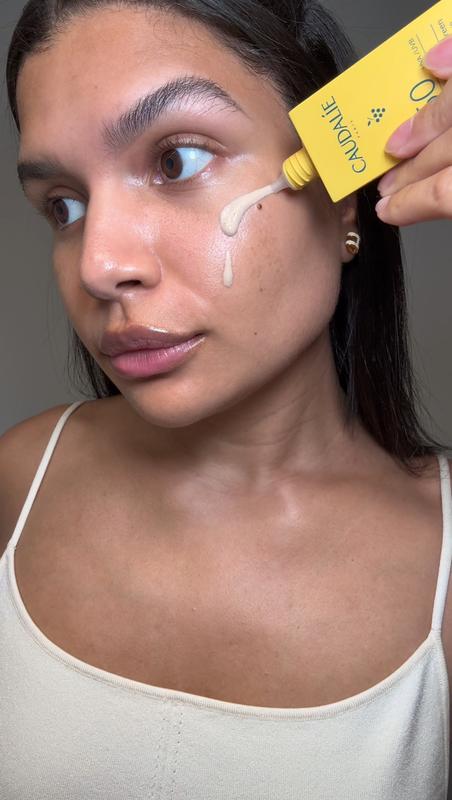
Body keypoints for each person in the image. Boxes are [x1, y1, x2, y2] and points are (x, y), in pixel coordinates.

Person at [1, 0, 452, 797]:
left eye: (176, 161)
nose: (99, 264)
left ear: (342, 198)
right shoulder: (16, 484)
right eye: (64, 205)